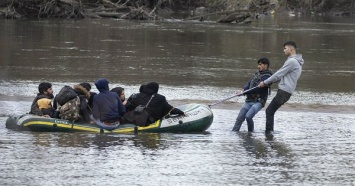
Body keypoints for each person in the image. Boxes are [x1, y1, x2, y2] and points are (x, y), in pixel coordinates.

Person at [259, 41, 304, 134]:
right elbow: (282, 76)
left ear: (291, 49)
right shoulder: (295, 61)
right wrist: (268, 83)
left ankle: (269, 134)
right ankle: (269, 133)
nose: (283, 50)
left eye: (285, 48)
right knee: (270, 111)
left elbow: (279, 74)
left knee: (269, 111)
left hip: (284, 91)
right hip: (286, 91)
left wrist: (265, 82)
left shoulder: (292, 61)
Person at [232, 58, 273, 132]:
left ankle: (250, 134)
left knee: (248, 116)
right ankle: (234, 132)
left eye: (260, 64)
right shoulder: (257, 74)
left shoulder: (268, 77)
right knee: (239, 118)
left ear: (266, 65)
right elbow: (249, 83)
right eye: (258, 64)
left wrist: (244, 93)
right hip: (249, 100)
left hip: (259, 102)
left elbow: (257, 89)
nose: (258, 66)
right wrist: (243, 90)